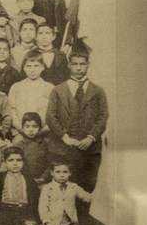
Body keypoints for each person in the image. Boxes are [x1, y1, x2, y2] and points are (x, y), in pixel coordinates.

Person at [45, 51, 109, 192]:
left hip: (90, 150)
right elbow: (50, 117)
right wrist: (65, 137)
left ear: (88, 65)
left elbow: (103, 116)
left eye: (82, 64)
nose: (78, 68)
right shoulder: (58, 90)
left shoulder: (98, 91)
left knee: (87, 188)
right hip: (63, 148)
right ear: (69, 65)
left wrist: (90, 138)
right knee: (63, 188)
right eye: (74, 64)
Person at [9, 50, 54, 139]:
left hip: (44, 134)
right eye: (28, 66)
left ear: (42, 67)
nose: (32, 70)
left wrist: (41, 131)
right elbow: (12, 111)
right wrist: (21, 129)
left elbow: (54, 114)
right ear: (24, 68)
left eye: (36, 66)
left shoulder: (50, 88)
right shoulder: (16, 87)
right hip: (21, 133)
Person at [0, 146, 40, 220]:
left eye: (19, 160)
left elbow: (34, 201)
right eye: (11, 160)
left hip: (24, 212)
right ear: (5, 162)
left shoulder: (29, 180)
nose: (15, 163)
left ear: (23, 162)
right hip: (4, 213)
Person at [14, 112, 51, 182]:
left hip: (42, 179)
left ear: (40, 128)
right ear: (22, 128)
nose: (31, 130)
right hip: (24, 180)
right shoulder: (18, 145)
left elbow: (50, 163)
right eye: (27, 126)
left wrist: (44, 177)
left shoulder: (45, 144)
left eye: (34, 126)